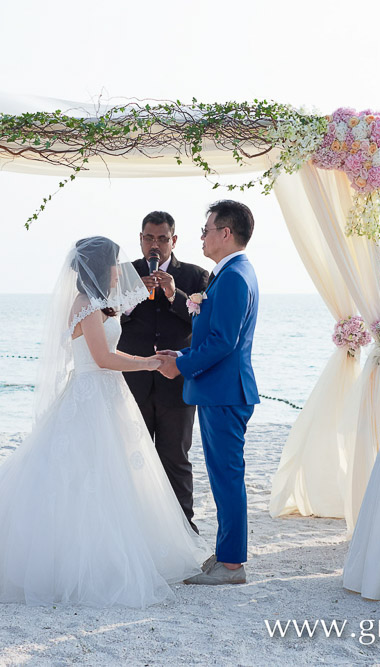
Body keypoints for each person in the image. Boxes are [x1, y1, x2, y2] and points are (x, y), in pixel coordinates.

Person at [0, 237, 208, 607]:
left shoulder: (100, 304)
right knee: (87, 478)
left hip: (107, 396)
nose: (122, 270)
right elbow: (103, 359)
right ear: (103, 268)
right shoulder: (86, 305)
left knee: (117, 476)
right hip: (92, 395)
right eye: (116, 264)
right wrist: (150, 363)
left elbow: (110, 352)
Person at [156, 200, 259, 585]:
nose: (202, 236)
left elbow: (223, 343)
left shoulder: (233, 276)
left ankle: (232, 564)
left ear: (225, 233)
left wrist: (179, 366)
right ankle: (227, 553)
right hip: (221, 389)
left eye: (206, 229)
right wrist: (180, 353)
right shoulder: (229, 272)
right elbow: (217, 338)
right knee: (222, 474)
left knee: (227, 475)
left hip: (225, 391)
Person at [119, 211, 209, 533]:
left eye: (161, 238)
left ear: (173, 240)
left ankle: (184, 531)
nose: (153, 245)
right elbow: (108, 318)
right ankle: (135, 530)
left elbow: (203, 325)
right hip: (133, 382)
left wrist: (174, 295)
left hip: (177, 383)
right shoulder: (123, 273)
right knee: (132, 459)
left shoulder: (196, 276)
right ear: (140, 238)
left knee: (175, 458)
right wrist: (132, 297)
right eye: (148, 238)